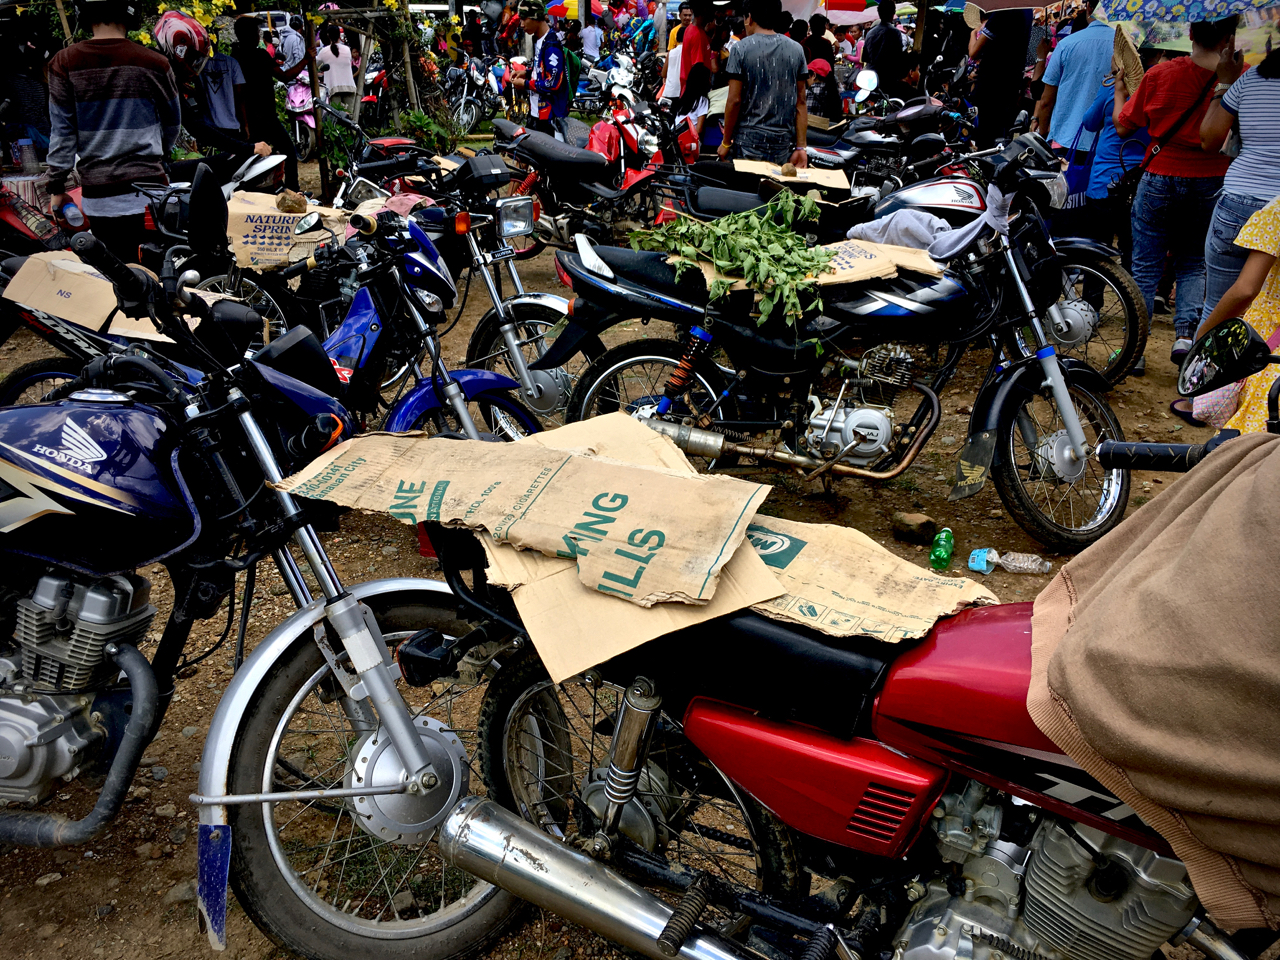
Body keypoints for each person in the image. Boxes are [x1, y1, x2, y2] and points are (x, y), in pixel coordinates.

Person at [1117, 16, 1236, 363]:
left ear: (1189, 34)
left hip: (1160, 174)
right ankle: (1184, 337)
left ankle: (1134, 350)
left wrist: (1120, 91)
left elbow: (1125, 127)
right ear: (1229, 37)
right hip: (1212, 179)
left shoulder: (1160, 74)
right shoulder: (1236, 80)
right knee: (1194, 261)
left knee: (1145, 264)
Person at [47, 0, 180, 262]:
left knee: (119, 281)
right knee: (154, 275)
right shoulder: (155, 62)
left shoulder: (64, 62)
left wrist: (57, 185)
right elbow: (172, 125)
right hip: (150, 195)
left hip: (100, 199)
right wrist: (158, 152)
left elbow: (62, 134)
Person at [1198, 40, 1280, 323]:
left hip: (1239, 203)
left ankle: (1201, 365)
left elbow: (1209, 138)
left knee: (1219, 307)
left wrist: (1224, 82)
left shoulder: (1252, 79)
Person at [1192, 195, 1280, 432]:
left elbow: (1245, 290)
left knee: (1252, 443)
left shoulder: (1277, 212)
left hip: (1270, 340)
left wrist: (1205, 333)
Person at [718, 0, 808, 167]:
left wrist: (725, 142)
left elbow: (734, 100)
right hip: (782, 141)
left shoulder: (740, 49)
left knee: (748, 190)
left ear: (749, 18)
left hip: (748, 140)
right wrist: (801, 147)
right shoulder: (796, 50)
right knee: (774, 190)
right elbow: (800, 102)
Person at [232, 15, 306, 191]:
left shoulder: (235, 56)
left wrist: (244, 124)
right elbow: (285, 76)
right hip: (264, 117)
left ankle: (260, 191)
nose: (259, 35)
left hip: (248, 118)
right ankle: (292, 190)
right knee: (288, 151)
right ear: (250, 34)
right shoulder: (259, 55)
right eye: (256, 31)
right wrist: (306, 60)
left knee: (255, 159)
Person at [1031, 0, 1113, 155]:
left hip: (1064, 140)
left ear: (1089, 7)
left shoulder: (1066, 45)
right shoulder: (1126, 48)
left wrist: (1042, 134)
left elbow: (1046, 100)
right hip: (1106, 144)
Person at [969, 10, 1032, 148]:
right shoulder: (1027, 12)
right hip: (1011, 84)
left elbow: (973, 52)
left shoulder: (1002, 13)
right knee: (1001, 136)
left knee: (986, 137)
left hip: (991, 84)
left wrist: (972, 33)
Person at [511, 0, 568, 135]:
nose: (522, 24)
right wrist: (526, 72)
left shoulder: (552, 46)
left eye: (524, 19)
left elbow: (553, 83)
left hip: (550, 118)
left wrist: (525, 84)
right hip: (536, 113)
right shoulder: (539, 41)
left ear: (536, 17)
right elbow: (542, 69)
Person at [862, 0, 905, 88]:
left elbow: (865, 57)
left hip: (871, 77)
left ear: (879, 12)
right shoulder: (895, 32)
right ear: (893, 13)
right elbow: (898, 57)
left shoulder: (870, 33)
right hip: (888, 78)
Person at [317, 23, 357, 113]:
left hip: (333, 88)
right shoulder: (347, 49)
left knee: (336, 116)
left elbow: (315, 65)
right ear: (339, 35)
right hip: (349, 86)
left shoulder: (324, 51)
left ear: (328, 36)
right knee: (349, 117)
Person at [680, 0, 717, 94]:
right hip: (695, 92)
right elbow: (697, 69)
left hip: (692, 90)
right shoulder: (697, 35)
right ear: (705, 11)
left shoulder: (694, 30)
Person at [675, 61, 712, 139]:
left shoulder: (683, 98)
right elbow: (699, 129)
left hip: (677, 136)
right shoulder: (702, 100)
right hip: (690, 139)